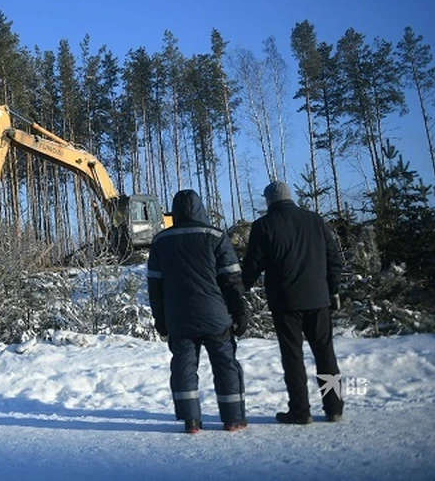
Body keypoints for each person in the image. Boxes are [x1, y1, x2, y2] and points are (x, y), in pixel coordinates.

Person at [241, 180, 344, 425]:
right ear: (290, 197)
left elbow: (252, 265)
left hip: (285, 302)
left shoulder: (263, 225)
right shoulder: (315, 220)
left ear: (269, 201)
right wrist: (333, 291)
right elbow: (334, 260)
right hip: (319, 299)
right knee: (325, 353)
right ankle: (334, 407)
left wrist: (239, 289)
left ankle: (300, 410)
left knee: (292, 356)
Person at [147, 189, 248, 434]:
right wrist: (240, 312)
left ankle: (191, 420)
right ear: (200, 208)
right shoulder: (215, 236)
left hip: (179, 317)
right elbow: (231, 279)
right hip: (216, 315)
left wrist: (160, 318)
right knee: (225, 364)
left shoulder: (161, 241)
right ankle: (233, 418)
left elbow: (155, 286)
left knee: (183, 366)